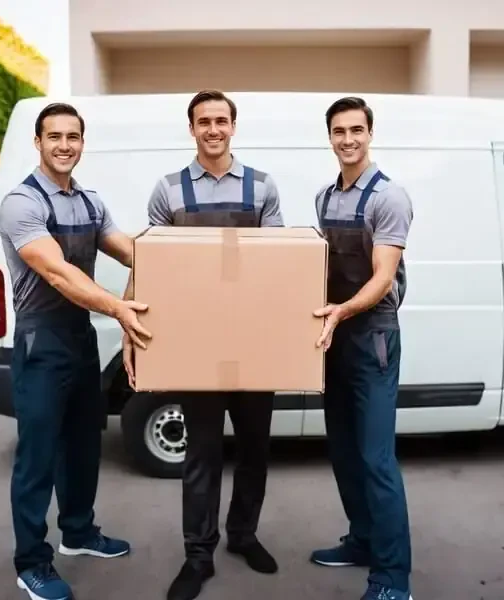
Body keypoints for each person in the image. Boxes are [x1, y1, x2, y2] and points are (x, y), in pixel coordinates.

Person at [123, 89, 284, 600]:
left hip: (252, 343)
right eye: (203, 121)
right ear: (191, 128)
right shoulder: (169, 190)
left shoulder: (262, 186)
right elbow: (148, 263)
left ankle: (244, 535)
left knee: (255, 449)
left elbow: (280, 264)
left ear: (233, 126)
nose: (213, 129)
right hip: (196, 347)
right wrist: (129, 324)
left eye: (221, 120)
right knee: (202, 454)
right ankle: (198, 555)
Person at [0, 102, 152, 600]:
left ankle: (79, 533)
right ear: (38, 142)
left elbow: (130, 250)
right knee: (38, 456)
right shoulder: (22, 203)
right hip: (41, 340)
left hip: (80, 337)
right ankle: (31, 562)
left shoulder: (89, 202)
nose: (64, 145)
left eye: (73, 136)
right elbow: (57, 272)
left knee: (84, 444)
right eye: (54, 136)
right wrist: (119, 309)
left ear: (82, 143)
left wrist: (181, 255)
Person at [309, 96, 415, 600]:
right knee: (345, 451)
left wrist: (342, 311)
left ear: (370, 133)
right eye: (339, 131)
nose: (348, 139)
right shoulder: (325, 198)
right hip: (336, 334)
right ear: (329, 137)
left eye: (356, 130)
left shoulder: (388, 197)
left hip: (372, 334)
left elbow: (382, 278)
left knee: (376, 459)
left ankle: (393, 579)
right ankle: (363, 540)